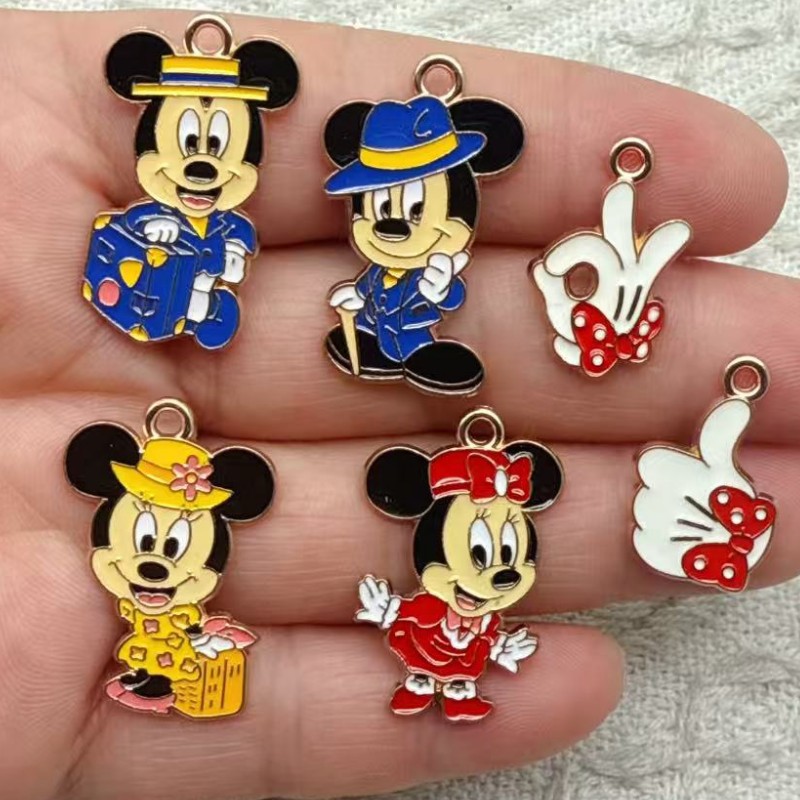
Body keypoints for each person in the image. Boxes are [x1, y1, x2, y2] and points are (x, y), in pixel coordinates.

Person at [0, 9, 795, 800]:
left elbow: (430, 289)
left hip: (405, 328)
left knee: (397, 331)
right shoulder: (163, 223)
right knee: (340, 323)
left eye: (414, 210)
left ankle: (400, 364)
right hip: (235, 317)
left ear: (456, 220)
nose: (391, 222)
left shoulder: (425, 265)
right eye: (377, 207)